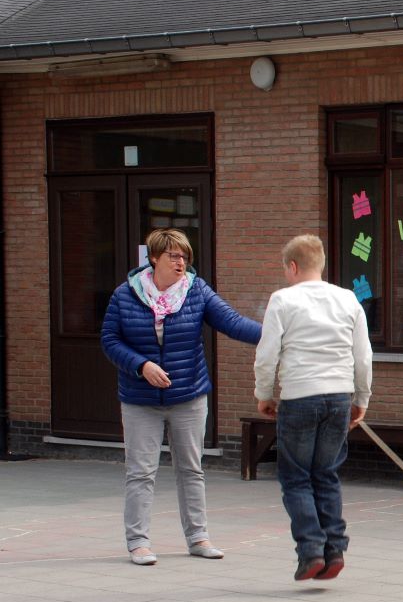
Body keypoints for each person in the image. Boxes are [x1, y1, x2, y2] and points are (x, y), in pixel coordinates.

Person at [101, 228, 261, 566]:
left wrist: (273, 334)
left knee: (191, 469)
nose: (181, 261)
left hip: (188, 395)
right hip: (139, 399)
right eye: (174, 255)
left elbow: (232, 323)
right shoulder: (124, 295)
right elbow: (110, 340)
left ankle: (198, 538)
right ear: (154, 258)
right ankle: (139, 543)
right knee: (141, 472)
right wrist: (140, 365)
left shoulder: (196, 290)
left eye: (185, 255)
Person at [254, 235, 372, 581]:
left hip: (299, 395)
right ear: (320, 264)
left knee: (295, 477)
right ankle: (334, 548)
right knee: (326, 474)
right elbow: (362, 356)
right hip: (338, 396)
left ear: (292, 267)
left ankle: (310, 551)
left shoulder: (282, 300)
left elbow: (267, 354)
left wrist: (264, 394)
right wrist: (361, 399)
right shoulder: (348, 298)